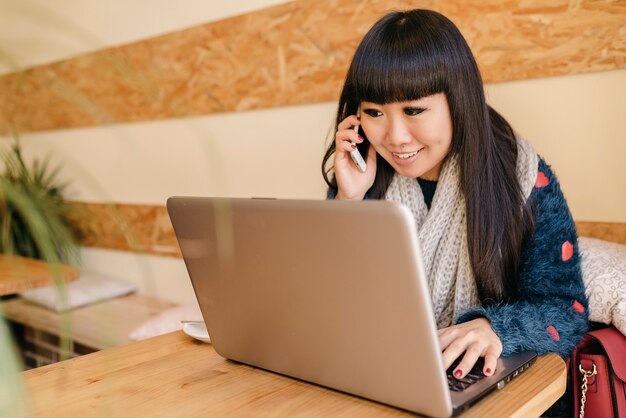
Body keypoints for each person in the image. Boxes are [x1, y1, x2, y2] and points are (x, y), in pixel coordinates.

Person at [322, 9, 588, 381]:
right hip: (379, 374)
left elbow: (567, 311)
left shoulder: (523, 178)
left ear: (458, 99)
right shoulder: (362, 178)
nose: (395, 136)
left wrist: (495, 328)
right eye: (374, 112)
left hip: (484, 382)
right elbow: (328, 309)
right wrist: (347, 204)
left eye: (414, 109)